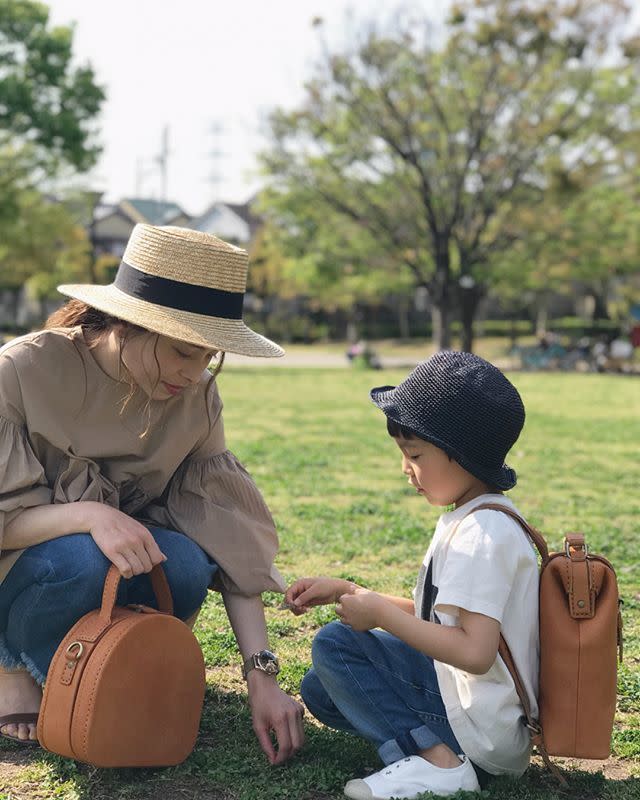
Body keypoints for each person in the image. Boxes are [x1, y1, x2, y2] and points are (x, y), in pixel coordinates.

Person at [0, 224, 304, 762]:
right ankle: (12, 666)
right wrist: (88, 514)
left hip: (106, 569)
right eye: (185, 352)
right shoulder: (21, 371)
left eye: (209, 357)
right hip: (27, 562)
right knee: (78, 557)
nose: (194, 375)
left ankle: (105, 665)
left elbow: (229, 539)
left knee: (184, 562)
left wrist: (262, 675)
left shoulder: (198, 400)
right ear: (127, 323)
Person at [285, 351, 539, 799]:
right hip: (473, 711)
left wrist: (379, 612)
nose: (406, 468)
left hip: (481, 729)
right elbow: (439, 620)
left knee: (334, 646)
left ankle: (439, 762)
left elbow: (476, 652)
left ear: (462, 456)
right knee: (320, 686)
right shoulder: (476, 518)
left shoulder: (483, 533)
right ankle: (432, 748)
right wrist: (351, 591)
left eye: (414, 454)